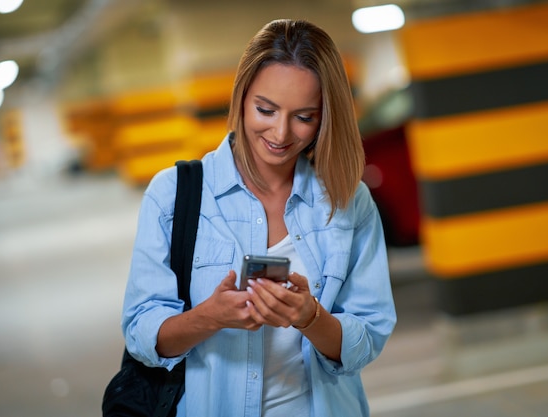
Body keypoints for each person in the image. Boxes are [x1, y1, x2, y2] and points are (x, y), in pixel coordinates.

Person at [122, 18, 396, 417]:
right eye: (265, 109)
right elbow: (141, 333)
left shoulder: (348, 201)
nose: (281, 133)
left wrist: (310, 317)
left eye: (305, 117)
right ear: (242, 96)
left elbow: (367, 337)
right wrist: (209, 317)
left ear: (325, 118)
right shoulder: (173, 195)